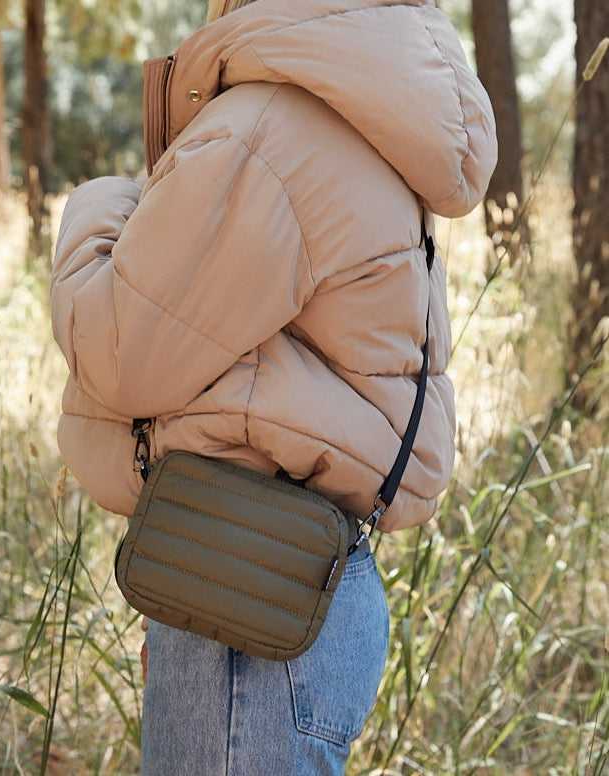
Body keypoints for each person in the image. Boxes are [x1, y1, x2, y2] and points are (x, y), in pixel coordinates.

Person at [50, 0, 496, 772]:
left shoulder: (273, 129)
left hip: (244, 602)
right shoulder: (352, 108)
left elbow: (119, 349)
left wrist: (102, 204)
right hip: (288, 576)